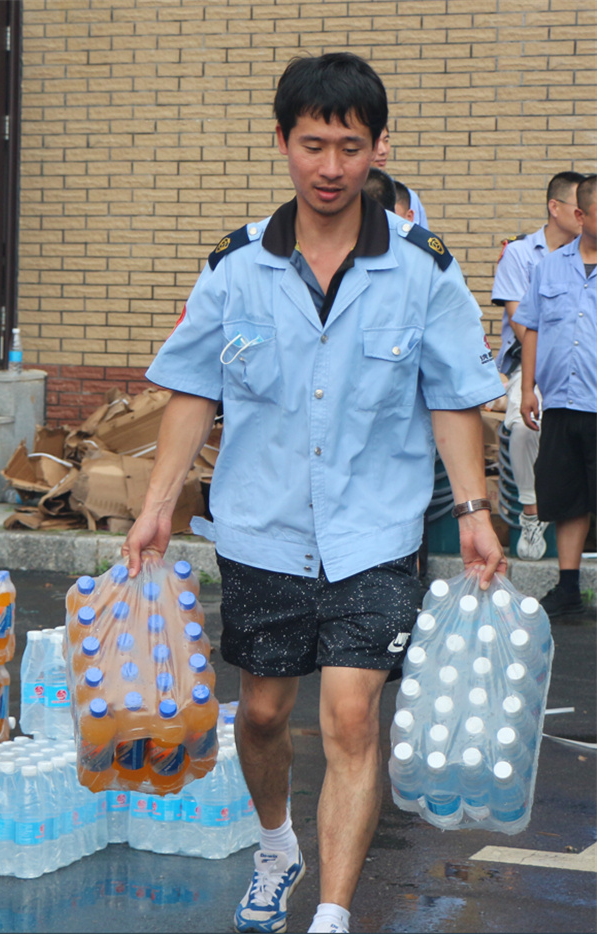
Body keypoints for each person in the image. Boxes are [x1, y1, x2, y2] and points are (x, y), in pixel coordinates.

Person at [123, 52, 506, 934]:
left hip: (376, 530)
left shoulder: (424, 269)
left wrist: (475, 511)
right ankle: (275, 848)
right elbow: (193, 391)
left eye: (350, 147)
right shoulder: (236, 266)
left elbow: (454, 398)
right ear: (283, 142)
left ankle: (331, 913)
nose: (331, 167)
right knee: (262, 714)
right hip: (262, 528)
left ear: (379, 148)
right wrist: (156, 505)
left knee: (351, 713)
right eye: (312, 145)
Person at [491, 171, 585, 560]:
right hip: (532, 364)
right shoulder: (520, 254)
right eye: (579, 206)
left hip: (584, 367)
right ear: (555, 207)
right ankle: (531, 512)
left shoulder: (588, 255)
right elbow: (522, 324)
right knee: (522, 426)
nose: (584, 214)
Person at [515, 174, 596, 617]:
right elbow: (531, 328)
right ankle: (568, 589)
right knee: (568, 499)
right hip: (562, 402)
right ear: (580, 215)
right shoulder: (549, 266)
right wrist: (527, 388)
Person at [373, 124, 428, 226]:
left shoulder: (407, 196)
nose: (383, 150)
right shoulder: (346, 195)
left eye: (386, 140)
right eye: (374, 143)